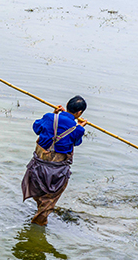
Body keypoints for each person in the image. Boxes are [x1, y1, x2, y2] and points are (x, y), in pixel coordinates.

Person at [21, 96, 88, 226]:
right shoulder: (77, 129)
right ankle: (38, 225)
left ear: (67, 104)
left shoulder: (49, 117)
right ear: (79, 113)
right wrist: (80, 126)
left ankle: (40, 212)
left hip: (38, 165)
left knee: (39, 191)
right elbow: (76, 142)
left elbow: (37, 128)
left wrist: (54, 114)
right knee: (51, 197)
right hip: (57, 171)